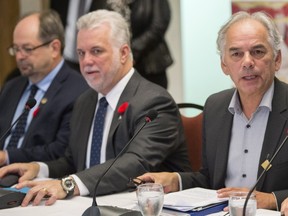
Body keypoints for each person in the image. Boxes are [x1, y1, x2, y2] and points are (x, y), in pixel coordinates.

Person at [0, 9, 191, 206]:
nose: (86, 61)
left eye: (96, 51)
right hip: (88, 204)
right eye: (81, 53)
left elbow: (135, 163)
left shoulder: (154, 102)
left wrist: (68, 184)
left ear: (123, 53)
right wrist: (38, 168)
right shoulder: (85, 101)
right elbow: (72, 162)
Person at [137, 11, 288, 211]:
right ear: (224, 65)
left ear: (277, 59)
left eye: (258, 51)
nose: (247, 62)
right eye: (236, 54)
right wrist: (175, 180)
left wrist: (272, 199)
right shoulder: (216, 106)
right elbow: (210, 179)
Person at [0, 10, 89, 166]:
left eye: (27, 49)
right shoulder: (11, 87)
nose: (19, 56)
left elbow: (61, 151)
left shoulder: (78, 90)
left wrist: (7, 157)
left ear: (54, 48)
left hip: (37, 180)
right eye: (16, 49)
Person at [50, 0, 173, 89]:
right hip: (112, 68)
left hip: (148, 65)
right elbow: (97, 24)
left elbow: (159, 24)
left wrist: (131, 52)